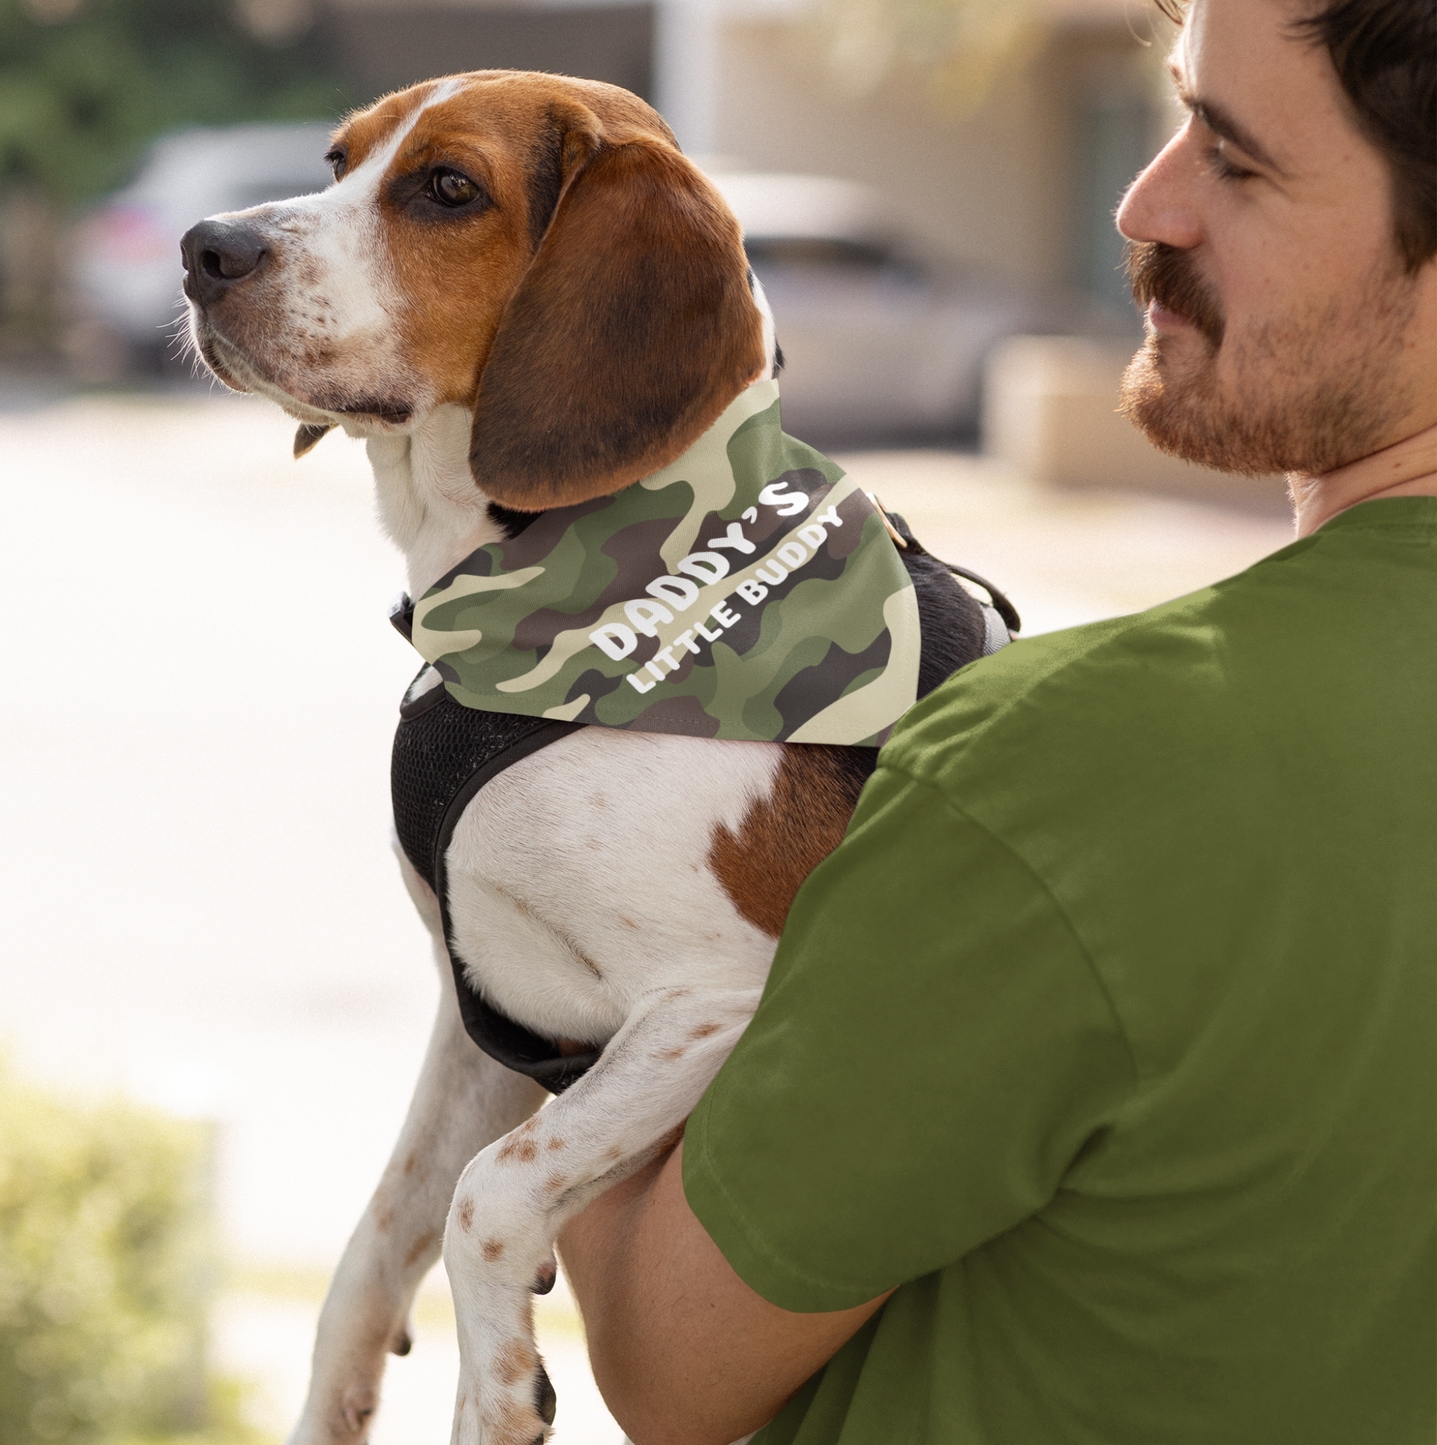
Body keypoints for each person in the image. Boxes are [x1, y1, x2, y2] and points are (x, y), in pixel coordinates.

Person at [557, 0, 1437, 1440]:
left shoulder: (1081, 766)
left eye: (1235, 156)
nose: (1144, 203)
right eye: (1177, 114)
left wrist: (541, 902)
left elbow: (667, 1361)